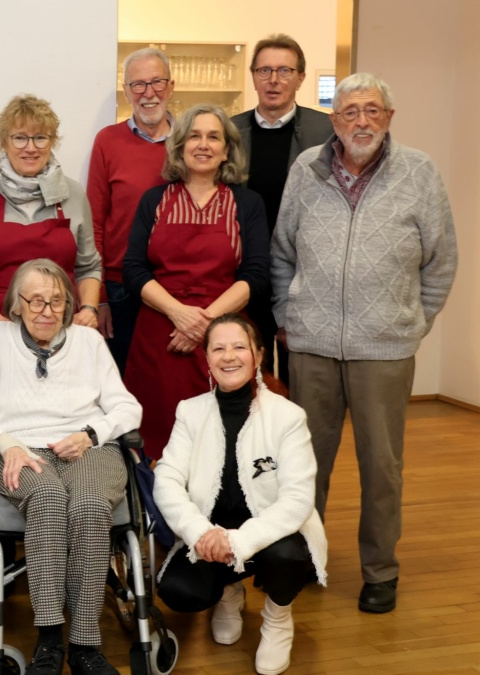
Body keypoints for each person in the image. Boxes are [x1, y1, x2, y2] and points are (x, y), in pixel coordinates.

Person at [271, 73, 457, 614]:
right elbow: (282, 251)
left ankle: (380, 571)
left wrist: (412, 324)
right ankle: (305, 556)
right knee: (306, 462)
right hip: (312, 346)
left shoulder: (419, 172)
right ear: (334, 120)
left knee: (382, 467)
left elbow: (441, 260)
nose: (361, 121)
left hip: (386, 349)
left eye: (372, 110)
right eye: (350, 111)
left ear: (389, 117)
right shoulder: (306, 168)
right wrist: (288, 314)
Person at [0, 259, 142, 675]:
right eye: (36, 301)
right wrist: (7, 444)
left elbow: (128, 407)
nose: (46, 310)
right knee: (47, 497)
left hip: (85, 446)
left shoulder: (88, 342)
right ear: (16, 305)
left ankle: (84, 645)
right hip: (15, 447)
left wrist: (92, 434)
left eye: (57, 301)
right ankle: (48, 638)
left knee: (92, 505)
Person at [154, 313, 327, 675]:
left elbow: (297, 500)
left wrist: (238, 542)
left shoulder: (288, 417)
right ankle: (229, 592)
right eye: (218, 348)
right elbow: (167, 480)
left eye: (239, 347)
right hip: (211, 530)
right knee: (179, 591)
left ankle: (278, 618)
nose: (228, 356)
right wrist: (201, 534)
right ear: (207, 358)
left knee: (289, 556)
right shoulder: (190, 411)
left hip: (270, 531)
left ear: (259, 355)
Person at [122, 103, 270, 460]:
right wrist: (179, 314)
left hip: (226, 339)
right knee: (158, 440)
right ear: (180, 146)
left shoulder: (246, 203)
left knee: (222, 443)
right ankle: (157, 514)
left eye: (213, 137)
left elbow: (257, 274)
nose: (203, 145)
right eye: (194, 136)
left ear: (226, 150)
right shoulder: (154, 200)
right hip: (160, 337)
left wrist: (205, 323)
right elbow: (133, 269)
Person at [0, 94, 102, 332]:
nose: (31, 148)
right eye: (20, 138)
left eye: (40, 138)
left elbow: (89, 267)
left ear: (52, 141)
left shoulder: (73, 194)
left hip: (56, 333)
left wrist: (88, 309)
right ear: (4, 142)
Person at [232, 34, 334, 387]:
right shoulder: (230, 132)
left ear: (301, 77)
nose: (273, 80)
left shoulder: (327, 132)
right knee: (248, 369)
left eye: (284, 70)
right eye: (265, 70)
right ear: (253, 75)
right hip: (246, 271)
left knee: (302, 377)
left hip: (304, 272)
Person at [87, 47, 174, 375]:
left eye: (157, 82)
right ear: (126, 91)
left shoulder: (191, 142)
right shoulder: (107, 141)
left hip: (175, 286)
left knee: (168, 385)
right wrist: (100, 298)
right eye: (138, 84)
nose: (148, 93)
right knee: (121, 386)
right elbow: (94, 222)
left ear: (172, 86)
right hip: (120, 289)